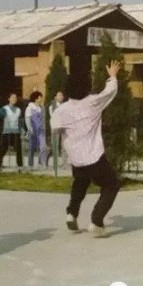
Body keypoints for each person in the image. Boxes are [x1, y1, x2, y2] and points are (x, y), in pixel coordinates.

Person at [51, 61, 122, 238]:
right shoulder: (92, 102)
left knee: (80, 182)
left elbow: (54, 128)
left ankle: (71, 213)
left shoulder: (62, 110)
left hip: (76, 157)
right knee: (111, 184)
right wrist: (112, 76)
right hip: (93, 155)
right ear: (87, 88)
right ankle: (96, 221)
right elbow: (109, 92)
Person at [25, 91, 49, 168]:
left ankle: (42, 163)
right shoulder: (29, 108)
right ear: (36, 98)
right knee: (31, 148)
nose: (41, 99)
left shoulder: (41, 108)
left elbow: (42, 120)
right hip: (32, 130)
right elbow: (27, 120)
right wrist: (30, 129)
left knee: (43, 146)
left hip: (40, 130)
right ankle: (30, 165)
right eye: (40, 97)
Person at [48, 91, 67, 167]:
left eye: (62, 95)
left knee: (64, 145)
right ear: (55, 97)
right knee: (54, 145)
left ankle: (64, 163)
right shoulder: (52, 106)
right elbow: (54, 116)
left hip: (63, 127)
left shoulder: (65, 106)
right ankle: (52, 161)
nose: (61, 97)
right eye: (59, 95)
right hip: (55, 127)